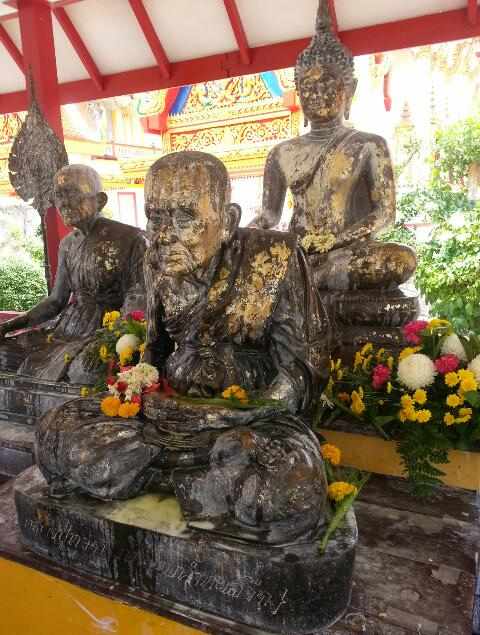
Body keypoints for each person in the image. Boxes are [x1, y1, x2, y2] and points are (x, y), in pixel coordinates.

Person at [37, 152, 331, 543]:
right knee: (57, 431)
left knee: (286, 490)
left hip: (250, 420)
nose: (163, 235)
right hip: (169, 418)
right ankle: (199, 481)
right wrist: (144, 394)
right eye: (155, 218)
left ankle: (170, 474)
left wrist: (236, 413)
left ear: (227, 220)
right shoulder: (156, 260)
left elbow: (303, 366)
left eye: (184, 218)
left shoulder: (274, 258)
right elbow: (155, 351)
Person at [251, 0, 416, 292]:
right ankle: (304, 279)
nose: (317, 94)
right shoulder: (282, 153)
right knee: (250, 262)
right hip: (298, 251)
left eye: (327, 85)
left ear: (348, 90)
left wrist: (335, 241)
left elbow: (384, 214)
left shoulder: (368, 145)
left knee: (401, 260)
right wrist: (241, 235)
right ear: (299, 92)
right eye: (308, 88)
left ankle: (305, 284)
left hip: (346, 253)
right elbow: (269, 216)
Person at [0, 165, 146, 384]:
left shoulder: (131, 239)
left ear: (100, 200)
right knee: (4, 355)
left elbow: (138, 301)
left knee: (85, 371)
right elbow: (56, 301)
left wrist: (115, 338)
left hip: (107, 330)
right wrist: (8, 326)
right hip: (66, 329)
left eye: (72, 193)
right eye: (58, 196)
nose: (63, 203)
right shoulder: (68, 244)